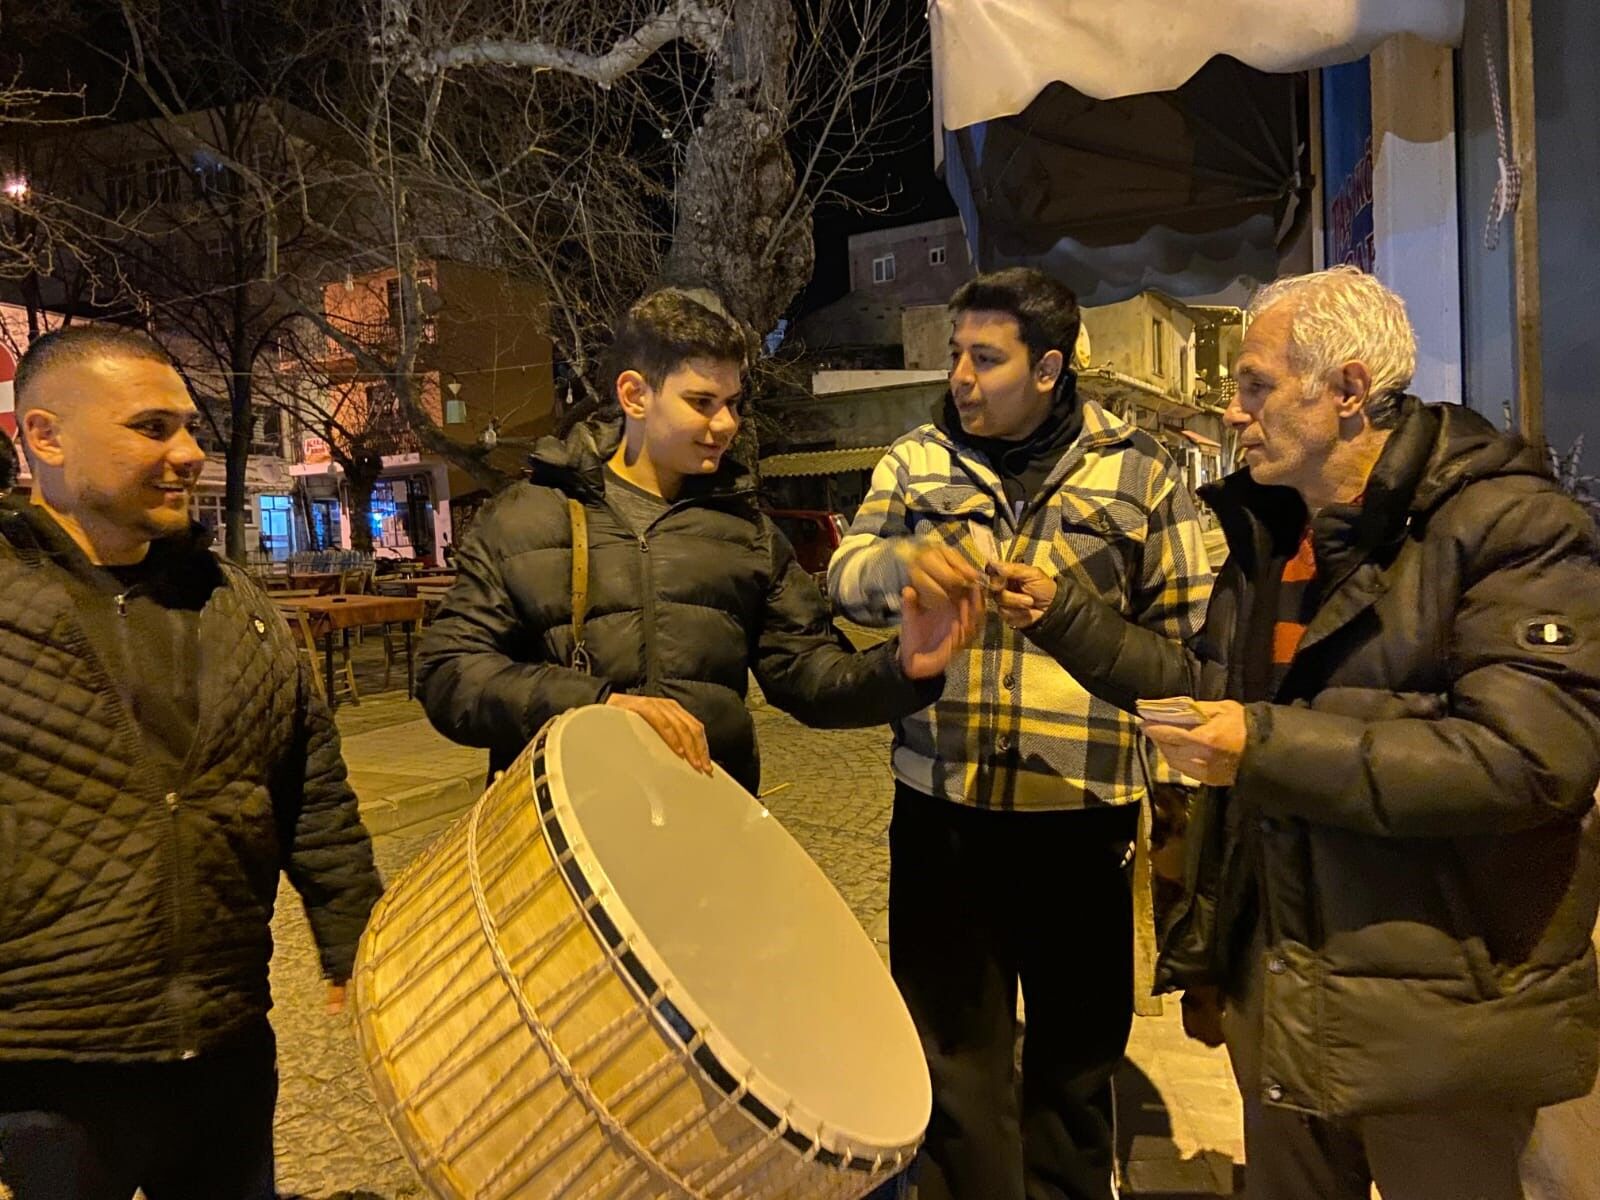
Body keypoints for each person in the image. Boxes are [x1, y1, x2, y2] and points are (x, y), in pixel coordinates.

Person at [994, 266, 1600, 1198]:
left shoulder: (1512, 528)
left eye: (1255, 386)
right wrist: (1062, 617)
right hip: (1284, 996)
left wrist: (1262, 749)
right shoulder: (1277, 535)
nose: (1232, 413)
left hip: (1437, 1026)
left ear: (1349, 392)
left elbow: (1530, 760)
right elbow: (1213, 700)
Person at [827, 268, 1214, 1200]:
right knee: (954, 1054)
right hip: (943, 807)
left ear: (1048, 368)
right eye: (956, 353)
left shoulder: (1143, 470)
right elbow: (844, 572)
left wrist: (1069, 612)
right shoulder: (918, 459)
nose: (960, 375)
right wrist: (907, 566)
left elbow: (1191, 644)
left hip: (1082, 814)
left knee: (1077, 1064)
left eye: (984, 357)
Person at [0, 327, 383, 1199]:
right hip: (41, 1071)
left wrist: (354, 942)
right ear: (45, 438)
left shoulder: (233, 604)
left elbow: (310, 789)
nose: (188, 454)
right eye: (151, 427)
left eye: (189, 427)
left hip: (223, 1047)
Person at [417, 287, 976, 796]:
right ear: (635, 395)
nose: (726, 423)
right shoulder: (526, 517)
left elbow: (806, 673)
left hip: (704, 831)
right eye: (701, 402)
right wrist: (596, 704)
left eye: (733, 403)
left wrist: (901, 667)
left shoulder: (746, 531)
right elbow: (447, 673)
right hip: (564, 837)